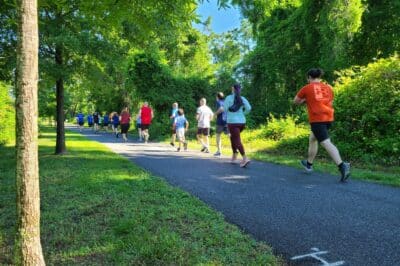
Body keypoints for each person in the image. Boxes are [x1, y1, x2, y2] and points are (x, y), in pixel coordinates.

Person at [293, 68, 350, 182]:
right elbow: (330, 103)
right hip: (328, 118)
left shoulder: (306, 88)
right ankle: (309, 164)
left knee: (325, 142)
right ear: (319, 77)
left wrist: (305, 100)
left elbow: (296, 101)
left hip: (317, 119)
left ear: (309, 77)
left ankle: (342, 165)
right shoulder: (328, 88)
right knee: (313, 139)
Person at [224, 84, 251, 168]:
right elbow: (249, 108)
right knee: (233, 138)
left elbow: (225, 109)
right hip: (242, 122)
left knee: (236, 140)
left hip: (232, 123)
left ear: (232, 89)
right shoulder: (243, 98)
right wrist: (243, 113)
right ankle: (234, 155)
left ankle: (244, 158)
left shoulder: (228, 98)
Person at [214, 92, 228, 156]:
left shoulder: (218, 102)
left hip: (220, 121)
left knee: (218, 135)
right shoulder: (226, 102)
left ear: (217, 97)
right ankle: (236, 148)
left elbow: (221, 109)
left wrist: (215, 114)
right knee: (229, 135)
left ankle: (219, 151)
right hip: (227, 121)